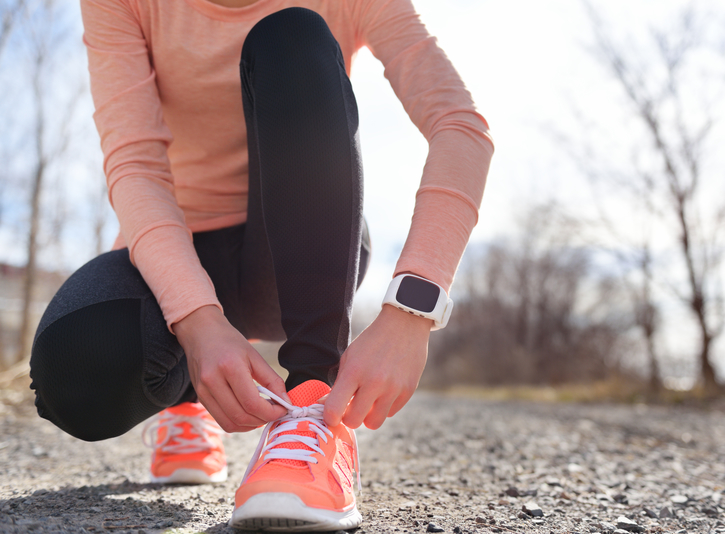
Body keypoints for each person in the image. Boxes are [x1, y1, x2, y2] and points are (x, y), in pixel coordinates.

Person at [29, 0, 493, 530]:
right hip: (172, 254)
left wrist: (410, 312)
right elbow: (135, 165)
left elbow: (459, 124)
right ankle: (190, 399)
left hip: (290, 251)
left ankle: (312, 408)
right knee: (76, 369)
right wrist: (196, 321)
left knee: (291, 33)